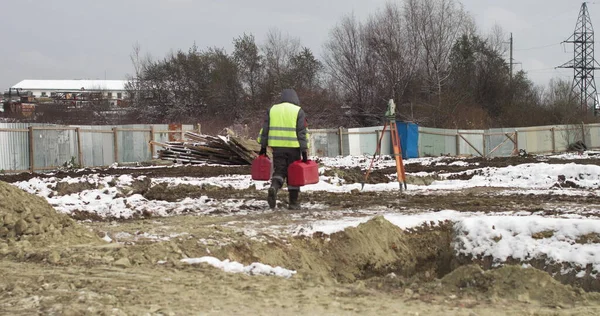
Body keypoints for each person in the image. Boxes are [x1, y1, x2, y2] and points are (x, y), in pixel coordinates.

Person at [258, 89, 308, 210]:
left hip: (277, 147)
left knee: (280, 170)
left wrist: (263, 147)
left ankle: (274, 187)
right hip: (294, 148)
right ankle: (293, 203)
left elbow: (265, 129)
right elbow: (301, 132)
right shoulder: (298, 111)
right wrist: (304, 150)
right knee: (293, 174)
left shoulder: (272, 110)